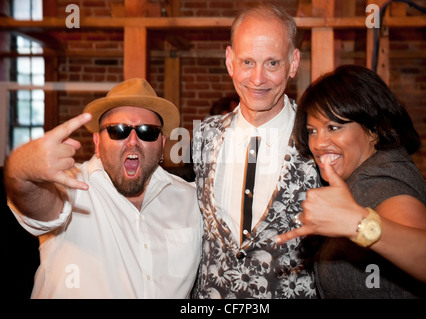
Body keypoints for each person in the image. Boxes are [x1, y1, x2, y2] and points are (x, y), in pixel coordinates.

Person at [4, 78, 202, 299]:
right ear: (97, 142)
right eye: (118, 130)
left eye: (147, 131)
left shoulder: (192, 200)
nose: (133, 141)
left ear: (162, 144)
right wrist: (21, 170)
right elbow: (36, 200)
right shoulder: (71, 186)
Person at [277, 64, 426, 298]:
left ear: (373, 129)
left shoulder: (379, 180)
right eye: (312, 130)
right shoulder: (364, 174)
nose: (318, 143)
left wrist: (358, 223)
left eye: (333, 127)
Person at [191, 4, 321, 299]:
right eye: (247, 62)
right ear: (230, 61)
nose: (258, 78)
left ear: (293, 62)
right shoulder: (204, 135)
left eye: (272, 63)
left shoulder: (317, 138)